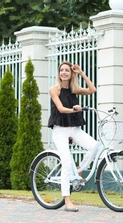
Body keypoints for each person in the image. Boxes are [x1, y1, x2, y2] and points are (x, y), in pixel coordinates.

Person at [48, 61, 97, 212]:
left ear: (71, 74)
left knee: (95, 147)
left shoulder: (74, 89)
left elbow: (92, 89)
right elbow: (61, 109)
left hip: (74, 129)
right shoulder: (54, 90)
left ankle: (79, 171)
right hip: (60, 131)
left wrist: (81, 73)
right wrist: (75, 109)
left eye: (67, 71)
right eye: (61, 70)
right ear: (59, 73)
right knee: (66, 162)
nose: (64, 73)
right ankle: (67, 199)